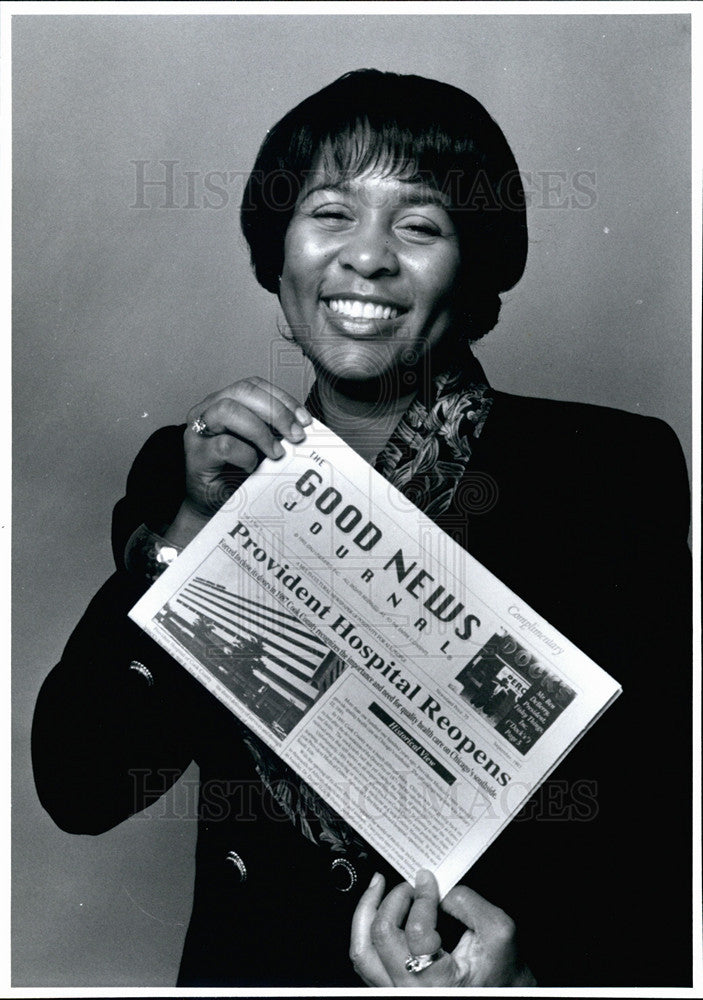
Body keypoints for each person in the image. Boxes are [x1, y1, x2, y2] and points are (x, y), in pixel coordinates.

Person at [31, 69, 691, 987]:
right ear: (281, 256)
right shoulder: (190, 473)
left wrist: (534, 986)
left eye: (418, 225)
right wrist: (188, 530)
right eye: (330, 214)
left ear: (474, 267)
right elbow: (82, 786)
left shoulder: (604, 474)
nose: (367, 259)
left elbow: (667, 824)